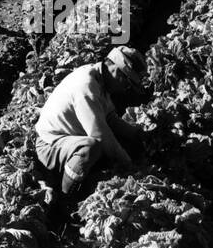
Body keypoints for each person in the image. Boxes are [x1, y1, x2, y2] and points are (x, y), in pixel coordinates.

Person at [34, 46, 148, 199]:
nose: (125, 89)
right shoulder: (86, 86)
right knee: (90, 148)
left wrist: (138, 134)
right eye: (126, 83)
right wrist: (128, 164)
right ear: (114, 68)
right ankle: (66, 197)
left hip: (72, 137)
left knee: (116, 146)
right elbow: (99, 134)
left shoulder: (100, 79)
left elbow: (110, 119)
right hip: (50, 144)